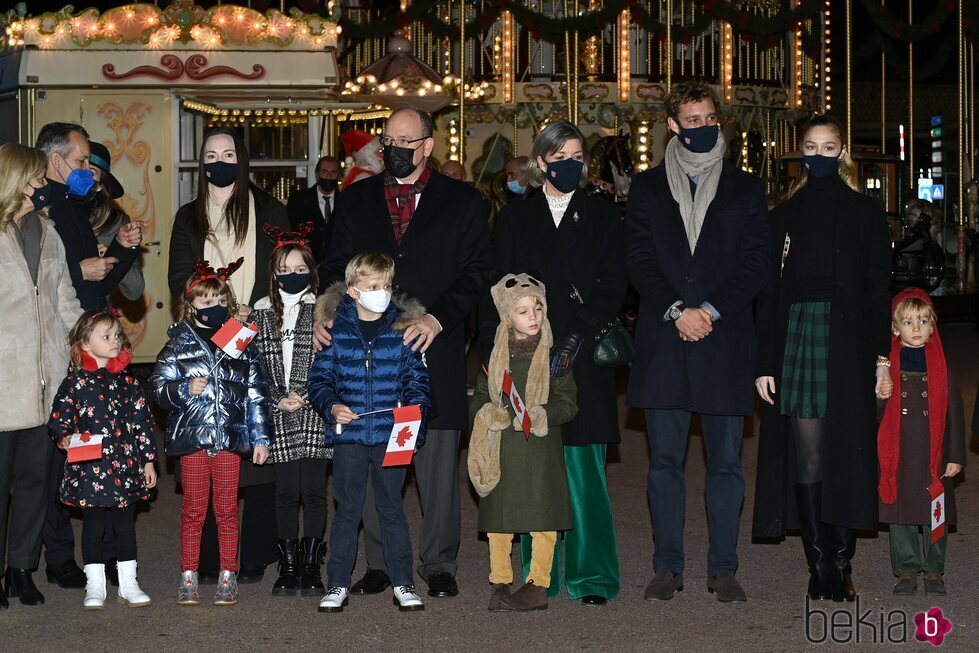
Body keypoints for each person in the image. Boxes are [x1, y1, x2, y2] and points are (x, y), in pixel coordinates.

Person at [319, 106, 492, 598]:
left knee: (436, 465)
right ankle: (378, 561)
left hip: (432, 347)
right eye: (387, 140)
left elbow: (478, 271)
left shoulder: (462, 201)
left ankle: (439, 563)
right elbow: (335, 267)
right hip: (368, 359)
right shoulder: (356, 200)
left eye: (404, 141)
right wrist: (328, 313)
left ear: (427, 146)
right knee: (376, 455)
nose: (392, 149)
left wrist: (438, 318)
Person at [625, 80, 769, 603]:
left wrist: (707, 310)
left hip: (724, 338)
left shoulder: (746, 188)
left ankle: (723, 568)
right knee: (663, 463)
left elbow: (757, 263)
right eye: (693, 121)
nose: (704, 128)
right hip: (665, 340)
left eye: (710, 119)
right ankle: (667, 567)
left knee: (726, 465)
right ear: (673, 127)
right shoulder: (645, 188)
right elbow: (638, 259)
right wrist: (675, 310)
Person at [482, 121, 626, 607]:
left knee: (584, 472)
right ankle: (538, 577)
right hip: (525, 355)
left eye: (578, 155)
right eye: (560, 156)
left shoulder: (604, 217)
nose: (571, 163)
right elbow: (498, 288)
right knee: (530, 468)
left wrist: (575, 335)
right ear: (541, 162)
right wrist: (493, 354)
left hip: (579, 355)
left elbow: (614, 284)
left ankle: (592, 578)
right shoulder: (514, 219)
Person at [752, 114, 891, 603]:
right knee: (809, 453)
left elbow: (879, 289)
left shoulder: (866, 212)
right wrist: (764, 362)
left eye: (828, 147)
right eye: (810, 148)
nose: (819, 156)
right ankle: (818, 564)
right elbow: (767, 295)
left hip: (850, 340)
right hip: (798, 336)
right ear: (800, 155)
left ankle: (841, 561)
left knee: (848, 450)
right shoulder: (781, 216)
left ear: (843, 151)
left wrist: (881, 358)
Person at [167, 126, 289, 584]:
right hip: (203, 334)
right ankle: (206, 552)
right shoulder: (188, 216)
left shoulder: (271, 208)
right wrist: (214, 304)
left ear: (242, 159)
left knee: (255, 433)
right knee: (209, 437)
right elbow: (179, 272)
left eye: (228, 153)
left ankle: (254, 551)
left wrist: (249, 309)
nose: (219, 161)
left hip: (256, 331)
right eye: (210, 154)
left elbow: (286, 266)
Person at [36, 123, 143, 590]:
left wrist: (117, 252)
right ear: (56, 161)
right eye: (81, 162)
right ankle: (58, 556)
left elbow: (93, 286)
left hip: (85, 340)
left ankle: (83, 555)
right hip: (56, 343)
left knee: (85, 450)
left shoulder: (74, 209)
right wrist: (79, 268)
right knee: (54, 454)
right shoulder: (42, 211)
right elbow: (55, 279)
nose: (87, 172)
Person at [308, 252, 430, 613]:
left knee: (392, 508)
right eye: (373, 286)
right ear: (353, 291)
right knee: (347, 509)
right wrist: (331, 405)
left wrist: (412, 419)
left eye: (387, 286)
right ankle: (338, 584)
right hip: (350, 436)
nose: (383, 292)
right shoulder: (336, 330)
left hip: (392, 436)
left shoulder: (403, 331)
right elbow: (319, 381)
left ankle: (403, 582)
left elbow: (418, 384)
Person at [150, 257, 271, 606]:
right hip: (193, 441)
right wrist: (184, 389)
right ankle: (188, 574)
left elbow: (256, 392)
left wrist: (260, 437)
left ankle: (227, 575)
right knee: (193, 509)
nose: (214, 308)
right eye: (206, 302)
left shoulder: (238, 342)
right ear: (190, 306)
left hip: (230, 440)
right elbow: (158, 388)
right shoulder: (178, 345)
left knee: (227, 510)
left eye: (220, 302)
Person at [0, 143, 82, 609]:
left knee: (36, 484)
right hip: (4, 381)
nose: (41, 188)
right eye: (33, 180)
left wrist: (90, 346)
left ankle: (21, 570)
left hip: (46, 383)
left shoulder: (49, 234)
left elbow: (66, 300)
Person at [469, 274, 576, 612]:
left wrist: (543, 414)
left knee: (542, 521)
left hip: (539, 453)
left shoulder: (556, 360)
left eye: (538, 308)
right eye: (523, 311)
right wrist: (489, 413)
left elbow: (568, 403)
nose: (534, 317)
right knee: (500, 524)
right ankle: (500, 581)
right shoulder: (493, 362)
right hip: (503, 451)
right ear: (506, 317)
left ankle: (537, 585)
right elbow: (476, 401)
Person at [48, 309, 158, 609]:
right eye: (106, 336)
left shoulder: (129, 383)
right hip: (90, 469)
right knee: (94, 527)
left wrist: (148, 460)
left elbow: (143, 422)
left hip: (124, 467)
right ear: (85, 344)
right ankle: (94, 584)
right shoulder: (75, 383)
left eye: (117, 336)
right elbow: (59, 417)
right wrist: (65, 435)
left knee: (125, 526)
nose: (115, 341)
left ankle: (128, 582)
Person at [252, 223, 331, 597]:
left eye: (301, 270)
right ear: (274, 273)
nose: (293, 276)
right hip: (278, 409)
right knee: (285, 492)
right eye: (285, 270)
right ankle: (287, 564)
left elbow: (332, 360)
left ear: (311, 271)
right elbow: (253, 366)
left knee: (313, 490)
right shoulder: (261, 311)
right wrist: (275, 398)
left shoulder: (324, 308)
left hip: (314, 407)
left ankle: (312, 563)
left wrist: (305, 393)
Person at [878, 289, 964, 597]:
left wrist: (955, 455)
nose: (916, 328)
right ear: (895, 327)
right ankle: (907, 568)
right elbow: (874, 414)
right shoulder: (886, 364)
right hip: (899, 451)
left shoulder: (941, 363)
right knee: (900, 514)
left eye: (923, 321)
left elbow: (954, 409)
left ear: (933, 326)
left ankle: (933, 569)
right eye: (908, 321)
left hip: (934, 452)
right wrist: (880, 395)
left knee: (935, 512)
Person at [88, 140, 145, 303]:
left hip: (96, 318)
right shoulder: (51, 212)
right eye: (79, 167)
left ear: (101, 186)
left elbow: (135, 290)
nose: (84, 175)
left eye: (91, 171)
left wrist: (116, 250)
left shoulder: (114, 223)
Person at [286, 156, 341, 262]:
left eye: (333, 172)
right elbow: (292, 232)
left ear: (338, 175)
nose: (329, 176)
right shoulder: (298, 200)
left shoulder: (345, 202)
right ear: (317, 174)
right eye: (324, 172)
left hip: (336, 264)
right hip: (306, 261)